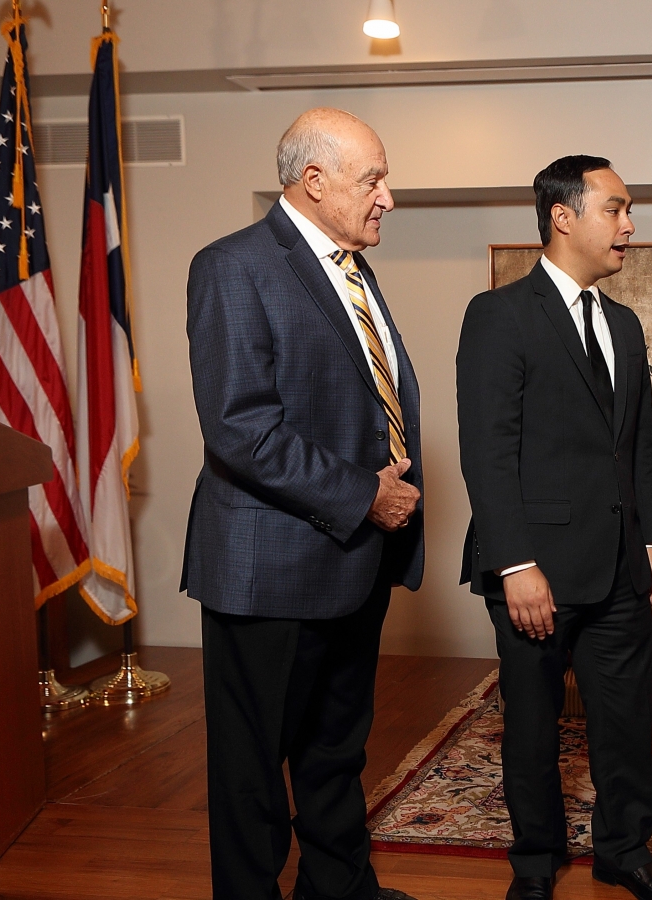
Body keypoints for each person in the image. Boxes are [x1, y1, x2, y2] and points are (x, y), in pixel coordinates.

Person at [182, 107, 423, 900]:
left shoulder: (352, 270)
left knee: (335, 752)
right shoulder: (233, 266)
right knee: (254, 772)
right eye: (374, 179)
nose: (388, 196)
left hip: (353, 562)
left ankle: (340, 889)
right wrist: (365, 496)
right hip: (272, 568)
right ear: (313, 182)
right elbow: (240, 429)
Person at [456, 156, 652, 900]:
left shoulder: (623, 326)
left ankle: (624, 853)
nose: (629, 226)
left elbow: (637, 447)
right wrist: (515, 563)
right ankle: (536, 862)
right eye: (616, 209)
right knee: (530, 728)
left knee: (624, 726)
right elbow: (487, 450)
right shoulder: (498, 315)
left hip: (621, 569)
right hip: (535, 573)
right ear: (564, 216)